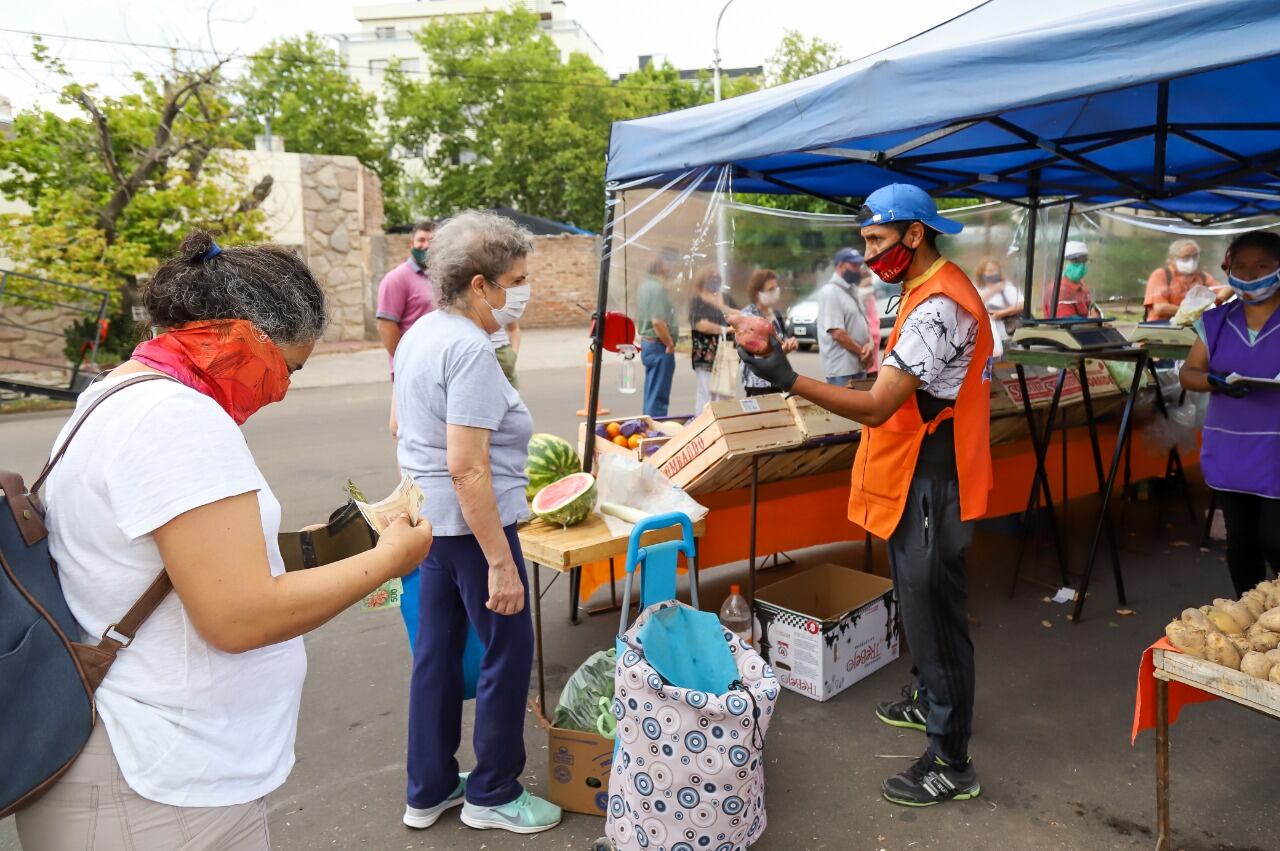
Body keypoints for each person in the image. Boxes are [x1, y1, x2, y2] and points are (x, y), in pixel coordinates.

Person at [16, 232, 433, 851]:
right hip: (159, 784)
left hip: (138, 767)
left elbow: (185, 562)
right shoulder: (178, 420)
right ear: (243, 335)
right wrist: (390, 561)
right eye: (287, 367)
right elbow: (238, 616)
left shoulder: (117, 394)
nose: (283, 390)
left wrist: (330, 542)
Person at [739, 183, 993, 808]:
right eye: (866, 241)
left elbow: (880, 405)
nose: (870, 252)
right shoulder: (922, 290)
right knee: (920, 602)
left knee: (935, 617)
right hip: (919, 473)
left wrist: (790, 379)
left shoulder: (939, 305)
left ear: (915, 233)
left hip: (932, 478)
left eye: (879, 239)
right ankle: (927, 700)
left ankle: (951, 761)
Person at [393, 210, 561, 835]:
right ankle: (492, 792)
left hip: (428, 523)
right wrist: (499, 562)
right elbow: (468, 468)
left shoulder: (423, 333)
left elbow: (402, 427)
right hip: (471, 528)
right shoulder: (466, 349)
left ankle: (429, 787)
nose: (524, 291)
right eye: (516, 279)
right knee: (507, 651)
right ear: (480, 284)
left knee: (435, 653)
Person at [1179, 230, 1280, 596]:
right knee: (1242, 544)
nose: (1251, 276)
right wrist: (1213, 380)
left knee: (1275, 539)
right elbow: (1188, 373)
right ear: (1228, 269)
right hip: (1229, 451)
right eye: (1241, 267)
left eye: (1262, 267)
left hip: (1275, 450)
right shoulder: (1216, 321)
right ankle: (1253, 622)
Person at [378, 220, 437, 437]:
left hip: (435, 368)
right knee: (408, 434)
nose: (426, 245)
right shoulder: (396, 279)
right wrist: (405, 361)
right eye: (421, 240)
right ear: (411, 243)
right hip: (411, 370)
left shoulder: (440, 277)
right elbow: (386, 326)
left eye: (432, 241)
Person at [818, 247, 875, 386]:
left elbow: (863, 321)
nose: (858, 269)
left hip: (858, 365)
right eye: (854, 265)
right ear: (840, 265)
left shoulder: (852, 289)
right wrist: (862, 351)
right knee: (843, 408)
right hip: (841, 370)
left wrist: (869, 344)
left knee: (859, 407)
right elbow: (837, 333)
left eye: (859, 265)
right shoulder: (830, 292)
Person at [688, 268, 741, 411]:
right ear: (703, 280)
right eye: (711, 277)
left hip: (727, 354)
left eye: (717, 277)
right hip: (706, 356)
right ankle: (703, 425)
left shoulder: (726, 298)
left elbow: (741, 315)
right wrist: (724, 329)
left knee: (725, 395)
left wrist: (723, 307)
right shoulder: (697, 301)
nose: (715, 280)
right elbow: (699, 324)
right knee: (706, 394)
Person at [740, 268, 798, 396]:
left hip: (778, 379)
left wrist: (789, 343)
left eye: (776, 288)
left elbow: (781, 340)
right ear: (757, 293)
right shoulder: (748, 316)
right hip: (758, 382)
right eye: (771, 289)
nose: (775, 292)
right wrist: (782, 351)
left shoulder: (775, 314)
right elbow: (756, 351)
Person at [637, 250, 678, 417]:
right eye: (668, 263)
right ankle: (654, 433)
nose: (671, 267)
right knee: (658, 399)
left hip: (650, 344)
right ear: (661, 266)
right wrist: (669, 343)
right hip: (659, 345)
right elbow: (657, 321)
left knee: (651, 393)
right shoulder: (657, 289)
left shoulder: (645, 285)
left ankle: (648, 426)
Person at [1144, 238, 1227, 321]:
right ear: (1172, 258)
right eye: (1186, 257)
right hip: (1162, 328)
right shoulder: (1161, 275)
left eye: (1195, 256)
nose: (1191, 260)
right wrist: (1194, 312)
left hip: (1190, 328)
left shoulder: (1203, 277)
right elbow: (1160, 308)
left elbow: (1221, 292)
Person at [1043, 240, 1099, 318]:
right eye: (1076, 261)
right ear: (1063, 263)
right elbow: (1069, 323)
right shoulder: (1059, 289)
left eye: (1084, 260)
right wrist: (1095, 322)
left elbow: (1091, 307)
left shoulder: (1081, 285)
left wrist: (1095, 316)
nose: (1082, 265)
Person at [974, 256, 1023, 345]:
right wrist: (993, 290)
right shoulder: (977, 288)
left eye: (995, 270)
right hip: (982, 337)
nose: (993, 273)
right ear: (982, 273)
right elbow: (973, 303)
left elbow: (1021, 305)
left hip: (1005, 335)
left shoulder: (1008, 287)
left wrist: (1001, 313)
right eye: (990, 271)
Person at [491, 319, 523, 390]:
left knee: (510, 398)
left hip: (501, 352)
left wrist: (512, 355)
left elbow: (514, 329)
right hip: (473, 353)